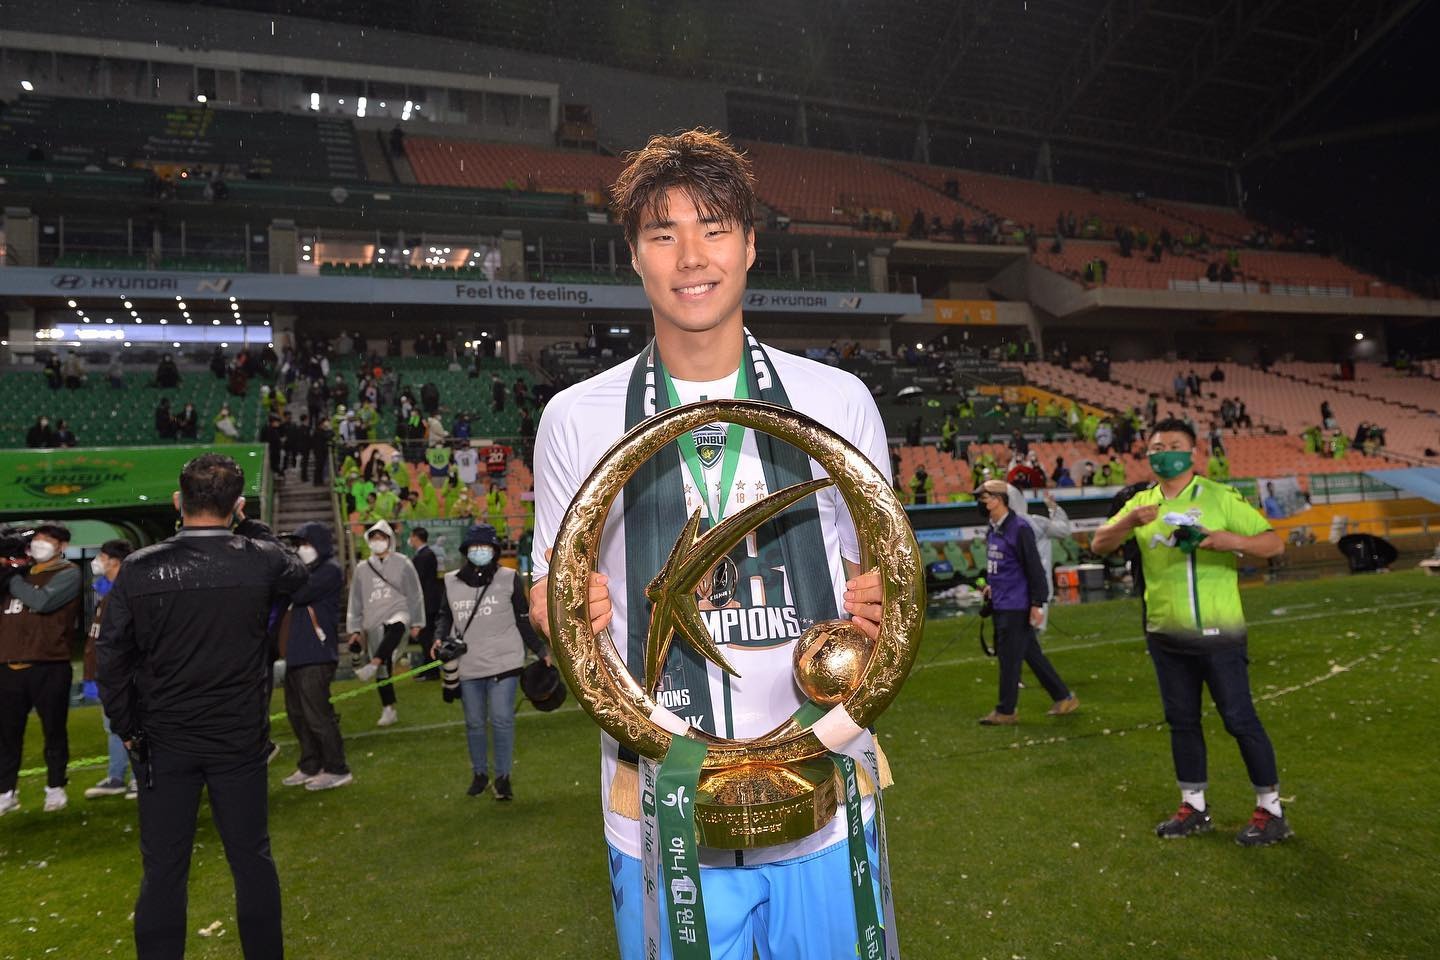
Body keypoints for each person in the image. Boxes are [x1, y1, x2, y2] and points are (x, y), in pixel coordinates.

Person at [528, 129, 892, 960]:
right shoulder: (574, 418)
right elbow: (548, 594)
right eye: (663, 235)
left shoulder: (838, 400)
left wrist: (879, 606)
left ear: (751, 244)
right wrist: (559, 611)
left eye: (714, 229)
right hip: (660, 814)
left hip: (828, 801)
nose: (691, 257)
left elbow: (871, 580)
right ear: (634, 256)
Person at [95, 454, 309, 956]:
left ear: (178, 501)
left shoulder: (140, 568)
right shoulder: (257, 558)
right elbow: (296, 571)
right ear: (236, 505)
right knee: (251, 858)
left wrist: (128, 727)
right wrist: (250, 525)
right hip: (236, 736)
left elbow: (112, 659)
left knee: (164, 867)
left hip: (164, 739)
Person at [1090, 418, 1292, 846]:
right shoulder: (1140, 503)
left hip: (1220, 634)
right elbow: (1098, 544)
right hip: (1165, 634)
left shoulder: (1220, 496)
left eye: (1173, 445)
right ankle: (1193, 806)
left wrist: (1230, 540)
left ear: (1193, 452)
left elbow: (1274, 544)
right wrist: (1127, 523)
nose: (1163, 453)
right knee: (1181, 721)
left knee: (1239, 719)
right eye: (1156, 447)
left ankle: (1271, 809)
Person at [433, 524, 549, 800]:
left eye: (485, 546)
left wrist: (540, 649)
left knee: (501, 719)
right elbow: (444, 616)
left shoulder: (509, 578)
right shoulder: (450, 581)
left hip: (504, 661)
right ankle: (480, 774)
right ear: (466, 551)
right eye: (474, 547)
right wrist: (438, 638)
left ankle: (503, 778)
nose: (480, 551)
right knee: (474, 722)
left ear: (495, 550)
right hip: (467, 664)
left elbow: (522, 617)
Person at [974, 480, 1078, 725]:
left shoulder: (1020, 528)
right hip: (1002, 601)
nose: (980, 503)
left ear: (998, 500)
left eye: (984, 497)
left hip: (1016, 605)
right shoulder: (994, 528)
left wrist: (1037, 603)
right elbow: (1002, 564)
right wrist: (991, 586)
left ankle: (1006, 710)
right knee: (1031, 655)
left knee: (1009, 659)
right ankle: (1064, 697)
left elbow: (1034, 568)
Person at [0, 523, 82, 815]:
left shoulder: (68, 573)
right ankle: (6, 791)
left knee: (54, 731)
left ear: (62, 546)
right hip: (8, 664)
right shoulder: (18, 574)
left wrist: (11, 577)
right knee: (6, 734)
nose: (40, 544)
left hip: (49, 664)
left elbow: (42, 601)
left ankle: (56, 787)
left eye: (48, 540)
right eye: (37, 539)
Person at [278, 522, 351, 791]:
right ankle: (311, 764)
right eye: (298, 545)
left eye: (305, 544)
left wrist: (286, 570)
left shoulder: (329, 570)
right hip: (298, 653)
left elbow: (299, 593)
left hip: (317, 655)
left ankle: (337, 768)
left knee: (318, 716)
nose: (300, 550)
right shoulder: (307, 571)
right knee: (297, 714)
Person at [346, 520, 425, 727]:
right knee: (384, 668)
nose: (377, 542)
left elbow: (415, 593)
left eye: (381, 538)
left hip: (399, 611)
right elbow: (355, 600)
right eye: (374, 538)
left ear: (389, 540)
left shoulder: (403, 563)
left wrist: (417, 621)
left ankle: (372, 664)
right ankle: (388, 708)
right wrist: (355, 628)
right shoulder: (362, 568)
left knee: (397, 625)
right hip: (374, 619)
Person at [83, 539, 137, 800]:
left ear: (115, 561)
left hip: (123, 673)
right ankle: (116, 777)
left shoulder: (128, 593)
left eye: (102, 557)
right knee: (114, 725)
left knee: (134, 724)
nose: (98, 562)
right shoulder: (106, 593)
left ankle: (139, 777)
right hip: (106, 672)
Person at [408, 526, 443, 682]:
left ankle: (432, 671)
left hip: (427, 603)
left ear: (416, 537)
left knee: (427, 638)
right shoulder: (425, 554)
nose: (410, 540)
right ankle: (427, 668)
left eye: (411, 537)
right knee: (424, 638)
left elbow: (418, 580)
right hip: (427, 602)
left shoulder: (425, 555)